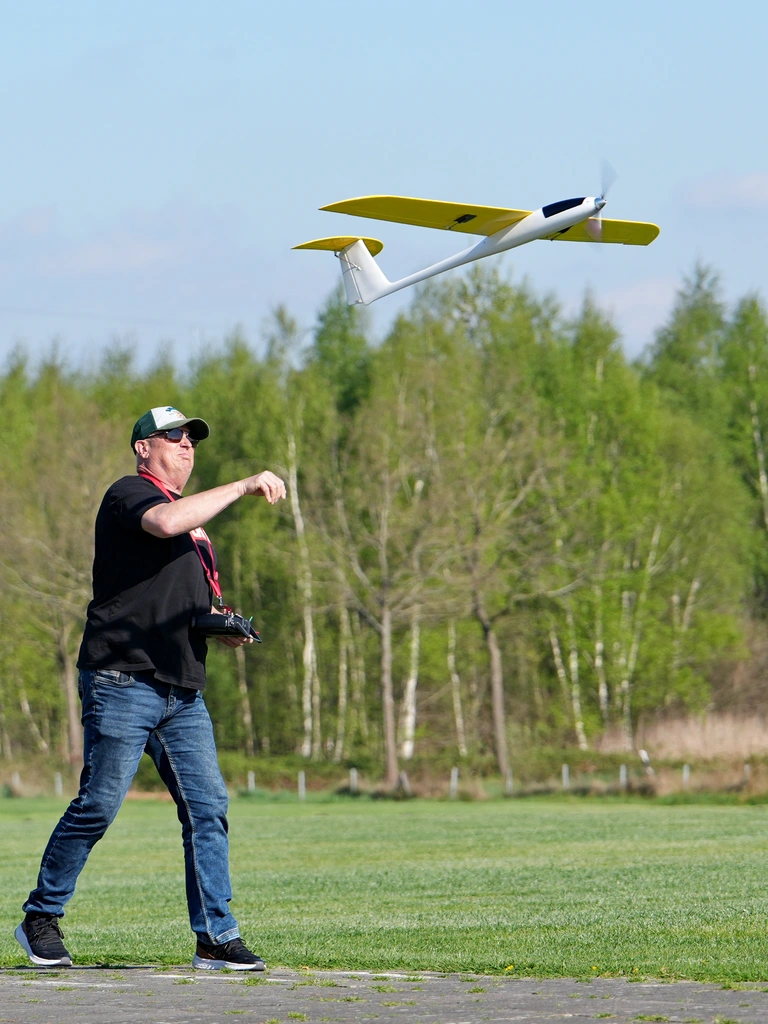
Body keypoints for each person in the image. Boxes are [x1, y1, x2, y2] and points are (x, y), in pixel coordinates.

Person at [15, 406, 286, 971]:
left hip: (181, 689)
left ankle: (215, 937)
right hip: (122, 679)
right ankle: (40, 917)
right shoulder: (129, 494)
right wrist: (243, 484)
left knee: (208, 809)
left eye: (191, 439)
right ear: (144, 448)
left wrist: (219, 625)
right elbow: (163, 523)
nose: (186, 445)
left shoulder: (196, 528)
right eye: (174, 436)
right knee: (98, 805)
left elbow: (175, 598)